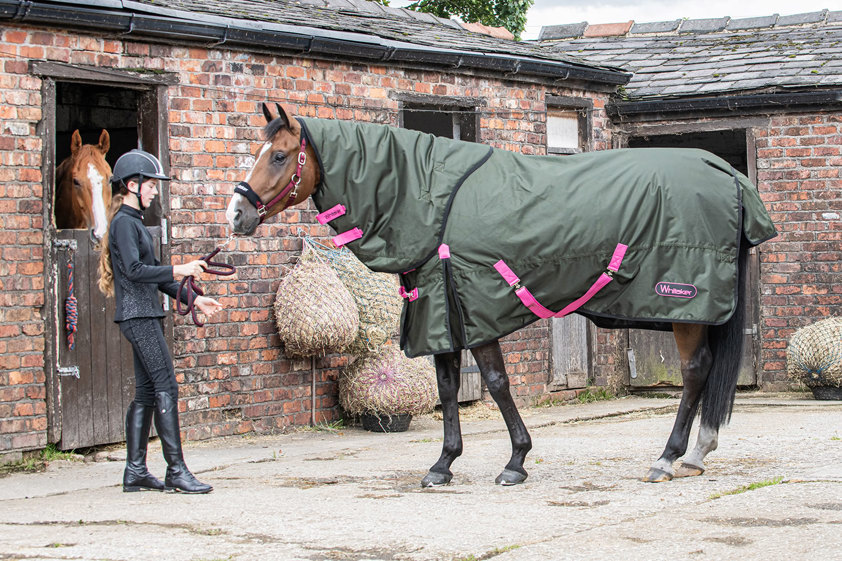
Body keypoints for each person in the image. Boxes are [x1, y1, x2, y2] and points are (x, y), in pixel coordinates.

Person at [98, 149, 223, 494]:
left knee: (147, 392)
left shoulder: (133, 223)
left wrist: (195, 299)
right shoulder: (124, 223)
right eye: (151, 185)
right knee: (166, 385)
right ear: (132, 185)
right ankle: (176, 471)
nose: (155, 191)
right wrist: (180, 268)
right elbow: (135, 271)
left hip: (141, 314)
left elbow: (156, 275)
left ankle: (135, 472)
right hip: (139, 316)